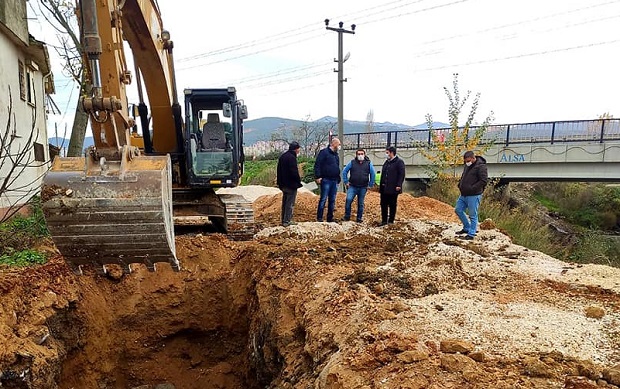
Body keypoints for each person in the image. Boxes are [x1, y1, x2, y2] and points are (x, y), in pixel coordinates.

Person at [455, 150, 488, 240]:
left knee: (473, 214)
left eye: (469, 161)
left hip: (474, 195)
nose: (467, 163)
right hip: (464, 194)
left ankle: (472, 233)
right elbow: (464, 176)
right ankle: (466, 227)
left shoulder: (481, 167)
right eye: (466, 161)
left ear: (473, 158)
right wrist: (460, 184)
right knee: (458, 209)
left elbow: (483, 181)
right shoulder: (467, 165)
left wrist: (472, 188)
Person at [341, 148, 376, 223]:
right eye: (358, 154)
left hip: (363, 187)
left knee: (360, 203)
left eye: (362, 154)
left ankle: (359, 218)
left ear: (364, 154)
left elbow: (373, 174)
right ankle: (347, 216)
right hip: (352, 186)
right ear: (356, 155)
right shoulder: (352, 162)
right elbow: (344, 171)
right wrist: (346, 181)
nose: (360, 155)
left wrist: (370, 184)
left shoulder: (368, 163)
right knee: (348, 200)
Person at [314, 138, 341, 222]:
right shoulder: (324, 153)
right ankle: (319, 218)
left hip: (334, 180)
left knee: (332, 200)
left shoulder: (336, 155)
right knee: (323, 199)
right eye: (338, 144)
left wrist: (338, 178)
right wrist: (318, 176)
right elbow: (317, 164)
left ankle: (330, 218)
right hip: (326, 179)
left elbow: (337, 166)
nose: (339, 146)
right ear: (333, 144)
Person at [276, 141, 303, 227]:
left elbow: (279, 171)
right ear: (296, 149)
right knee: (290, 203)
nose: (299, 150)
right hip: (291, 185)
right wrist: (298, 181)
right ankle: (287, 220)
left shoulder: (283, 157)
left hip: (283, 184)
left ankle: (284, 219)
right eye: (298, 149)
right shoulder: (292, 158)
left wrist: (279, 183)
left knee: (285, 203)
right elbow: (294, 172)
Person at [379, 146, 405, 226]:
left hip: (393, 188)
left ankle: (391, 220)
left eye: (387, 152)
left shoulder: (399, 162)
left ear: (391, 153)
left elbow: (401, 174)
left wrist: (399, 184)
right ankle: (384, 220)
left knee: (392, 204)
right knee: (383, 204)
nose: (386, 154)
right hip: (384, 188)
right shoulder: (387, 162)